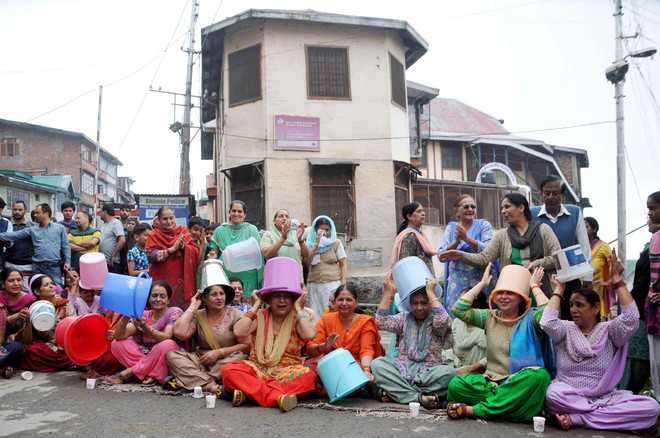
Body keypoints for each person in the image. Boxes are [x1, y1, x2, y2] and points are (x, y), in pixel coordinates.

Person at [542, 253, 660, 432]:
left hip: (605, 397)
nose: (573, 310)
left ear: (596, 308)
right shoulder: (565, 329)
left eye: (579, 305)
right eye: (571, 305)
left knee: (652, 408)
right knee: (553, 395)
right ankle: (603, 417)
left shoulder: (609, 330)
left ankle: (580, 417)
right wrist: (559, 289)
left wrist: (617, 281)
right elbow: (547, 322)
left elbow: (631, 318)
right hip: (569, 396)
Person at [446, 264, 551, 422]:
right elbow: (458, 309)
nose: (503, 296)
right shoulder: (489, 316)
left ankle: (475, 410)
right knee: (456, 384)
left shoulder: (532, 318)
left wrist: (534, 287)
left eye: (510, 293)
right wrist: (481, 284)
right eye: (500, 292)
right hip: (492, 384)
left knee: (540, 377)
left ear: (521, 297)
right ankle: (510, 407)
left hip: (519, 382)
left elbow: (549, 317)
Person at [221, 258, 317, 412]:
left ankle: (251, 393)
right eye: (276, 296)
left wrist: (298, 308)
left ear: (293, 299)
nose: (282, 300)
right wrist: (257, 304)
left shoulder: (299, 317)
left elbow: (310, 335)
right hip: (257, 368)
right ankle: (276, 397)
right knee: (228, 371)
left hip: (287, 371)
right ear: (268, 299)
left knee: (309, 377)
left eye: (287, 296)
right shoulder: (259, 315)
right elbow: (239, 331)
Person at [371, 276, 464, 409]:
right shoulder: (403, 318)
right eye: (415, 303)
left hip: (428, 375)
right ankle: (419, 397)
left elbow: (443, 320)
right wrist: (388, 293)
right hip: (402, 371)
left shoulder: (436, 320)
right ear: (409, 304)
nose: (419, 307)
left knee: (449, 374)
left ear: (430, 303)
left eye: (424, 303)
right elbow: (381, 322)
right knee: (377, 364)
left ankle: (397, 393)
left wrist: (431, 293)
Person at [440, 193, 560, 291]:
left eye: (507, 207)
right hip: (513, 292)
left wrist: (537, 264)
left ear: (521, 208)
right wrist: (461, 255)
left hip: (543, 290)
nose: (503, 211)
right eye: (502, 208)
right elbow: (484, 259)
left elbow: (558, 258)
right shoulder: (502, 236)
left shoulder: (543, 230)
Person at [166, 280, 249, 395]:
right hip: (202, 359)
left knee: (241, 358)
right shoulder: (198, 315)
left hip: (227, 359)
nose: (219, 298)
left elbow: (246, 345)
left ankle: (190, 380)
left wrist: (219, 352)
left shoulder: (236, 315)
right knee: (172, 356)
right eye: (214, 294)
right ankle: (211, 386)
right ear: (204, 298)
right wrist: (192, 307)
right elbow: (180, 333)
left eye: (222, 294)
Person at [530, 175, 592, 318]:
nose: (551, 197)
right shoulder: (532, 214)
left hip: (570, 277)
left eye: (555, 193)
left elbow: (584, 247)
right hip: (542, 278)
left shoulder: (574, 213)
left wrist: (588, 279)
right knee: (545, 318)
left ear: (562, 195)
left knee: (570, 319)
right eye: (547, 193)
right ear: (541, 194)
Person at [106, 281, 182, 385]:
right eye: (154, 296)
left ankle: (130, 372)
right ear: (149, 299)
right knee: (116, 343)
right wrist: (126, 316)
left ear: (168, 300)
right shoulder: (143, 314)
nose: (158, 299)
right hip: (146, 356)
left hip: (164, 355)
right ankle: (150, 375)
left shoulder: (174, 312)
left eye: (162, 296)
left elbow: (166, 336)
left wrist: (145, 327)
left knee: (168, 344)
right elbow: (119, 336)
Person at [307, 285, 382, 377]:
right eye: (340, 299)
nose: (344, 303)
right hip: (330, 369)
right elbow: (311, 350)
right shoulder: (325, 320)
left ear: (356, 302)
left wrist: (366, 369)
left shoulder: (365, 322)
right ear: (335, 301)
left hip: (357, 368)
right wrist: (324, 346)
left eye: (349, 300)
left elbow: (366, 350)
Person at [622, 219, 660, 393]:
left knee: (640, 360)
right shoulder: (650, 244)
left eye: (653, 209)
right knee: (639, 358)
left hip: (650, 312)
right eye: (648, 210)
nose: (649, 216)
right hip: (643, 310)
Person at [438, 195, 494, 312]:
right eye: (466, 206)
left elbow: (489, 251)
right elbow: (441, 255)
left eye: (473, 206)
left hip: (479, 280)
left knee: (480, 315)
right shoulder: (451, 228)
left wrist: (466, 238)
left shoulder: (484, 225)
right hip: (457, 281)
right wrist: (457, 241)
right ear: (457, 211)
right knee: (456, 314)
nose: (470, 209)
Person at [0, 203, 70, 286]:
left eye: (37, 213)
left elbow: (65, 246)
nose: (35, 215)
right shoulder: (32, 229)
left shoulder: (60, 228)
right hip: (37, 267)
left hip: (53, 267)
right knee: (37, 290)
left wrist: (67, 262)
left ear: (46, 213)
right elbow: (15, 235)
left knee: (57, 289)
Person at [19, 274, 75, 372]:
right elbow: (27, 340)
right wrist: (28, 321)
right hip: (47, 345)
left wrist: (61, 325)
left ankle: (68, 362)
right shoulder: (33, 309)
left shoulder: (65, 304)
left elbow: (74, 327)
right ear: (37, 291)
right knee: (32, 350)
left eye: (52, 283)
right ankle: (69, 363)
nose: (51, 286)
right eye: (46, 285)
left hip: (66, 343)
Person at [146, 207, 200, 308]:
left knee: (179, 311)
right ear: (159, 220)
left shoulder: (182, 232)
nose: (169, 221)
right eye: (165, 219)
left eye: (171, 218)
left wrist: (184, 247)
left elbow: (196, 251)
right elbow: (151, 256)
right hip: (161, 280)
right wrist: (171, 250)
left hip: (181, 281)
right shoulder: (153, 235)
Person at [210, 202, 262, 299]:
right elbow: (214, 249)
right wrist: (213, 254)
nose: (236, 214)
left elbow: (258, 252)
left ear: (244, 214)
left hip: (248, 275)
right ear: (229, 213)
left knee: (248, 307)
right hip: (227, 273)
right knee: (228, 303)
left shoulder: (252, 230)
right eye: (233, 211)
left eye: (240, 211)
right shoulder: (220, 231)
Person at [305, 216, 347, 318]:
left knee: (331, 312)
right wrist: (315, 246)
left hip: (332, 284)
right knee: (314, 314)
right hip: (314, 284)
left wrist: (343, 283)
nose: (324, 232)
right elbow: (306, 263)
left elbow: (343, 263)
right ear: (315, 230)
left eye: (327, 229)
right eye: (321, 229)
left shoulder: (335, 243)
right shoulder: (309, 244)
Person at [260, 209, 308, 283]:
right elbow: (267, 254)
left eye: (287, 216)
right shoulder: (268, 235)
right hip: (276, 278)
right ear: (274, 221)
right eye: (280, 216)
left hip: (295, 279)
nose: (284, 218)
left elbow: (306, 257)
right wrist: (282, 239)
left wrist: (300, 240)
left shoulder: (296, 234)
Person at [0, 269, 32, 378]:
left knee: (17, 347)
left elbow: (28, 339)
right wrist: (14, 317)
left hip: (11, 344)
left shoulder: (29, 300)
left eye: (19, 280)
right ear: (3, 283)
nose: (16, 284)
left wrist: (28, 320)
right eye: (11, 280)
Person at [391, 202, 436, 274]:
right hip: (418, 282)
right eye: (419, 211)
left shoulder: (420, 235)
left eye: (423, 211)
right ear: (409, 216)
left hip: (428, 281)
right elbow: (406, 264)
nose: (423, 214)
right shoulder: (409, 236)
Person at [645, 191, 660, 402]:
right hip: (654, 311)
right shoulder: (656, 238)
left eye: (653, 208)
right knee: (656, 363)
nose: (650, 213)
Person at [584, 217, 613, 318]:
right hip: (582, 295)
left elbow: (617, 265)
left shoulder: (603, 246)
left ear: (594, 229)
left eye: (586, 226)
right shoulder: (580, 248)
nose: (583, 229)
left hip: (598, 295)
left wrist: (607, 282)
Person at [4, 200, 33, 289]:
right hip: (9, 264)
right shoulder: (6, 225)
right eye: (15, 209)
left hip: (27, 266)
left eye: (20, 210)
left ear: (25, 210)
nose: (17, 212)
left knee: (27, 295)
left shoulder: (32, 226)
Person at [99, 204, 126, 274]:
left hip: (112, 262)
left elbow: (122, 240)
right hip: (103, 262)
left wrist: (113, 255)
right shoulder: (103, 225)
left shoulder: (116, 223)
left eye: (100, 212)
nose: (99, 214)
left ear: (105, 212)